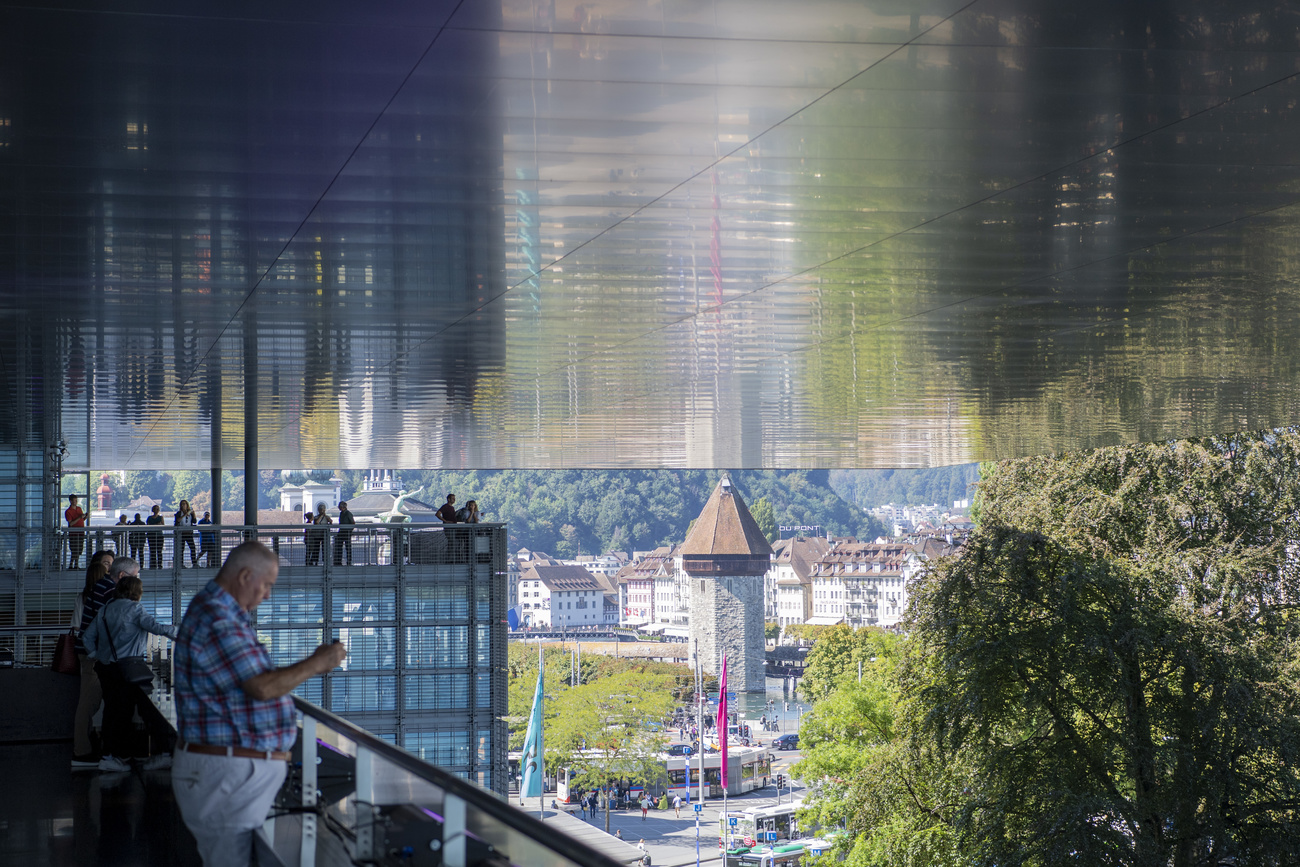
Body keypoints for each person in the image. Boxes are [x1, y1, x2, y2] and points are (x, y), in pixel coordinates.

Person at [171, 541, 347, 866]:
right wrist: (317, 663)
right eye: (266, 585)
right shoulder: (218, 620)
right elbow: (262, 687)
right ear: (245, 576)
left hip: (231, 774)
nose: (267, 595)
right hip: (226, 776)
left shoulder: (219, 613)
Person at [83, 562, 179, 772]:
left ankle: (111, 756)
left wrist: (96, 655)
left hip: (107, 669)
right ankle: (164, 753)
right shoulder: (135, 609)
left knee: (114, 712)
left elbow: (87, 638)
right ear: (137, 592)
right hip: (131, 669)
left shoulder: (106, 609)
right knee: (150, 710)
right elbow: (156, 628)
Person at [71, 550, 117, 768]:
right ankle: (82, 751)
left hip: (89, 653)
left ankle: (85, 747)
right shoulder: (101, 595)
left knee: (90, 702)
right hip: (92, 654)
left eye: (111, 564)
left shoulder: (88, 596)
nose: (109, 568)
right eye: (106, 564)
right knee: (88, 703)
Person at [175, 499, 199, 567]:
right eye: (182, 504)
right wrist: (184, 515)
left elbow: (194, 521)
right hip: (181, 534)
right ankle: (181, 564)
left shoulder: (190, 513)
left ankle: (194, 563)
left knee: (193, 548)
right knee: (181, 549)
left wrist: (193, 515)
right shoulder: (179, 513)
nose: (183, 505)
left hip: (189, 533)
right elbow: (177, 521)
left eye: (184, 504)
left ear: (187, 505)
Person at [65, 494, 86, 570]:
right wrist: (79, 517)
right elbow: (71, 523)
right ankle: (72, 565)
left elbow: (81, 520)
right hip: (73, 533)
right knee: (74, 549)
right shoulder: (68, 511)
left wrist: (84, 517)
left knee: (79, 549)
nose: (75, 502)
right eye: (74, 501)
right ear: (70, 501)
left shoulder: (79, 509)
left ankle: (74, 565)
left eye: (76, 501)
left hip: (81, 533)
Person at [334, 501, 355, 566]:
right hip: (342, 532)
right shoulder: (342, 513)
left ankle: (348, 561)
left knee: (347, 548)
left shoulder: (348, 513)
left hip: (346, 532)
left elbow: (353, 523)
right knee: (340, 547)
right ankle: (339, 561)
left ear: (343, 507)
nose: (339, 508)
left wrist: (349, 530)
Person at [145, 505, 165, 569]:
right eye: (155, 509)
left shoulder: (161, 517)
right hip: (151, 536)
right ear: (153, 510)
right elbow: (148, 526)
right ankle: (153, 565)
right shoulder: (149, 518)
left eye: (157, 509)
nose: (156, 510)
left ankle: (159, 565)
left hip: (159, 536)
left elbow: (163, 525)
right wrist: (156, 524)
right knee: (152, 551)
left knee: (159, 551)